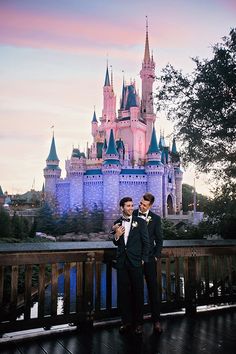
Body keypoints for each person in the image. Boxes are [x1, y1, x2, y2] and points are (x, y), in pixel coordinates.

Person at [111, 196, 149, 335]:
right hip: (122, 263)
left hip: (136, 263)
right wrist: (117, 235)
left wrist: (143, 259)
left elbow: (146, 242)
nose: (131, 208)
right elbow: (115, 242)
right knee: (124, 294)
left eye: (132, 205)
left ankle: (138, 323)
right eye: (128, 206)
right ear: (122, 208)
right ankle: (126, 322)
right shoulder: (117, 223)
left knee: (138, 293)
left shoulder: (140, 222)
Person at [133, 192, 163, 334]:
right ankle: (138, 323)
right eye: (140, 204)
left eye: (145, 205)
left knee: (153, 290)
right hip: (135, 259)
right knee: (137, 291)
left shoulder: (156, 219)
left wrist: (156, 255)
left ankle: (156, 321)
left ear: (150, 205)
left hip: (150, 259)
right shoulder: (133, 214)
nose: (141, 207)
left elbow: (160, 239)